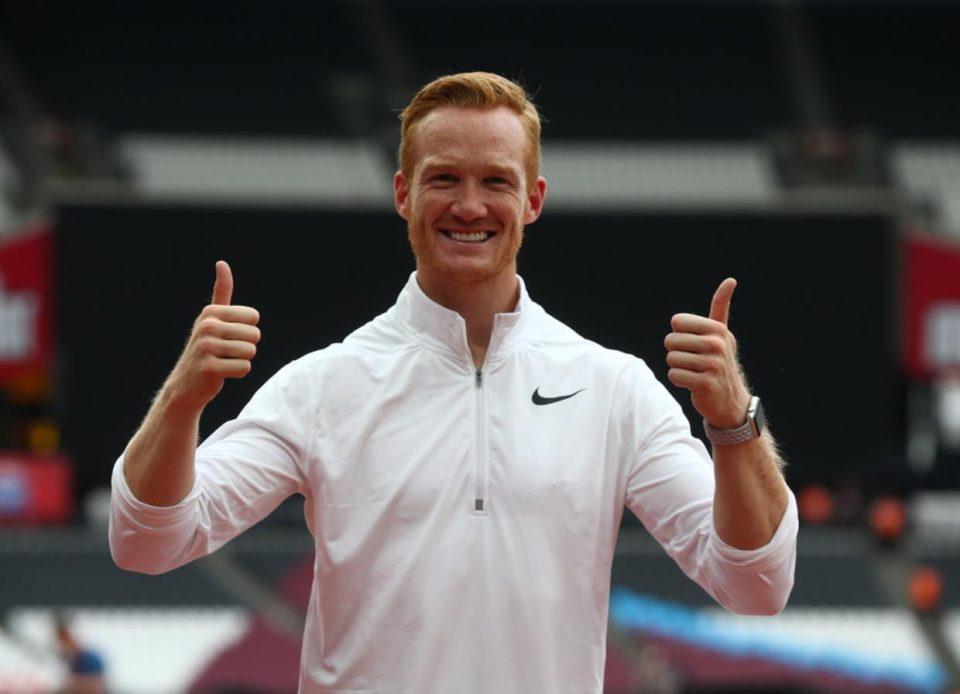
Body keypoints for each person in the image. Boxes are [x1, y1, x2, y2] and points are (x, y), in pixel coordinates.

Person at [109, 72, 797, 693]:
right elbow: (147, 543)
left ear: (532, 200)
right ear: (403, 193)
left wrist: (734, 422)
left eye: (496, 181)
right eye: (444, 179)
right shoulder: (322, 386)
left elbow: (756, 583)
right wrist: (181, 400)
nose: (470, 206)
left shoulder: (613, 388)